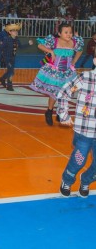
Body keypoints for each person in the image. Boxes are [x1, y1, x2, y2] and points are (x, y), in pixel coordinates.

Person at [30, 23, 84, 126]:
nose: (69, 34)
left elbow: (80, 50)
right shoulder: (54, 41)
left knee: (65, 93)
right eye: (66, 32)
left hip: (68, 73)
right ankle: (49, 111)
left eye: (70, 32)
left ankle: (61, 112)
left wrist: (74, 62)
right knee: (54, 93)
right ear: (59, 33)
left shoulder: (74, 42)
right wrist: (51, 51)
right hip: (55, 72)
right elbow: (40, 45)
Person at [57, 58, 96, 198]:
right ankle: (67, 180)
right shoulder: (85, 77)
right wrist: (64, 114)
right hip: (84, 130)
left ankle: (86, 180)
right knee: (79, 160)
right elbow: (64, 92)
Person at [0, 23, 33, 91]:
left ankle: (2, 78)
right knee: (11, 72)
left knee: (10, 71)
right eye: (14, 31)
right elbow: (0, 48)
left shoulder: (17, 39)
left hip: (13, 58)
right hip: (6, 58)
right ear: (10, 32)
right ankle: (9, 86)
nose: (16, 32)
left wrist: (28, 44)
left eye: (16, 31)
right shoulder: (6, 39)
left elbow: (21, 47)